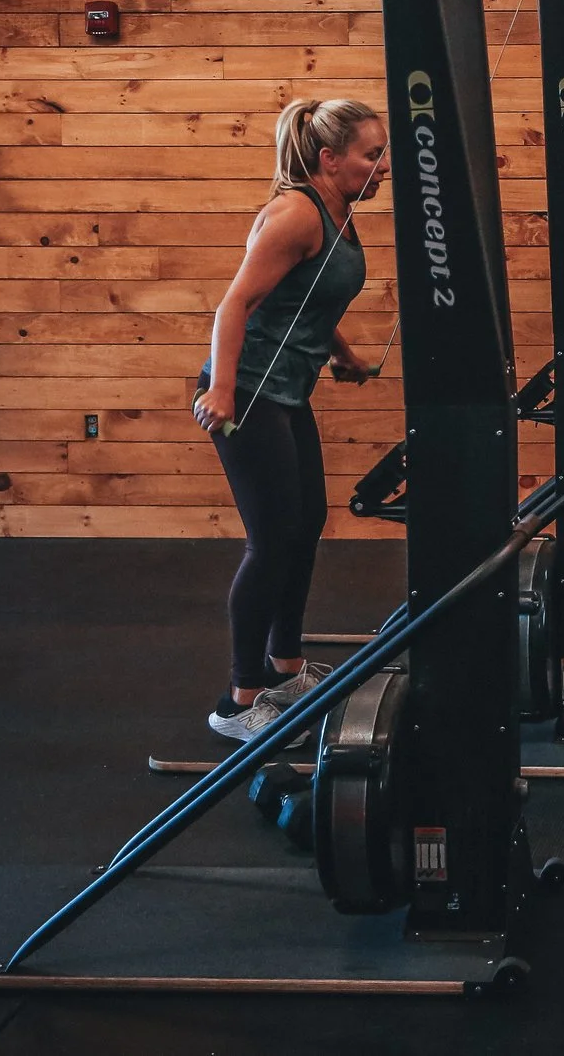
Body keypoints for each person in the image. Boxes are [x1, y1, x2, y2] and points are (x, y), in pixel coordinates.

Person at [191, 97, 389, 741]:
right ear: (330, 159)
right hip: (245, 393)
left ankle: (286, 667)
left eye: (381, 153)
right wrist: (221, 388)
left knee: (304, 528)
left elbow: (307, 301)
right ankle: (239, 697)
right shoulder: (295, 214)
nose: (382, 165)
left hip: (285, 392)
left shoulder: (340, 211)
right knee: (271, 539)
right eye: (371, 154)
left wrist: (345, 353)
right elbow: (235, 305)